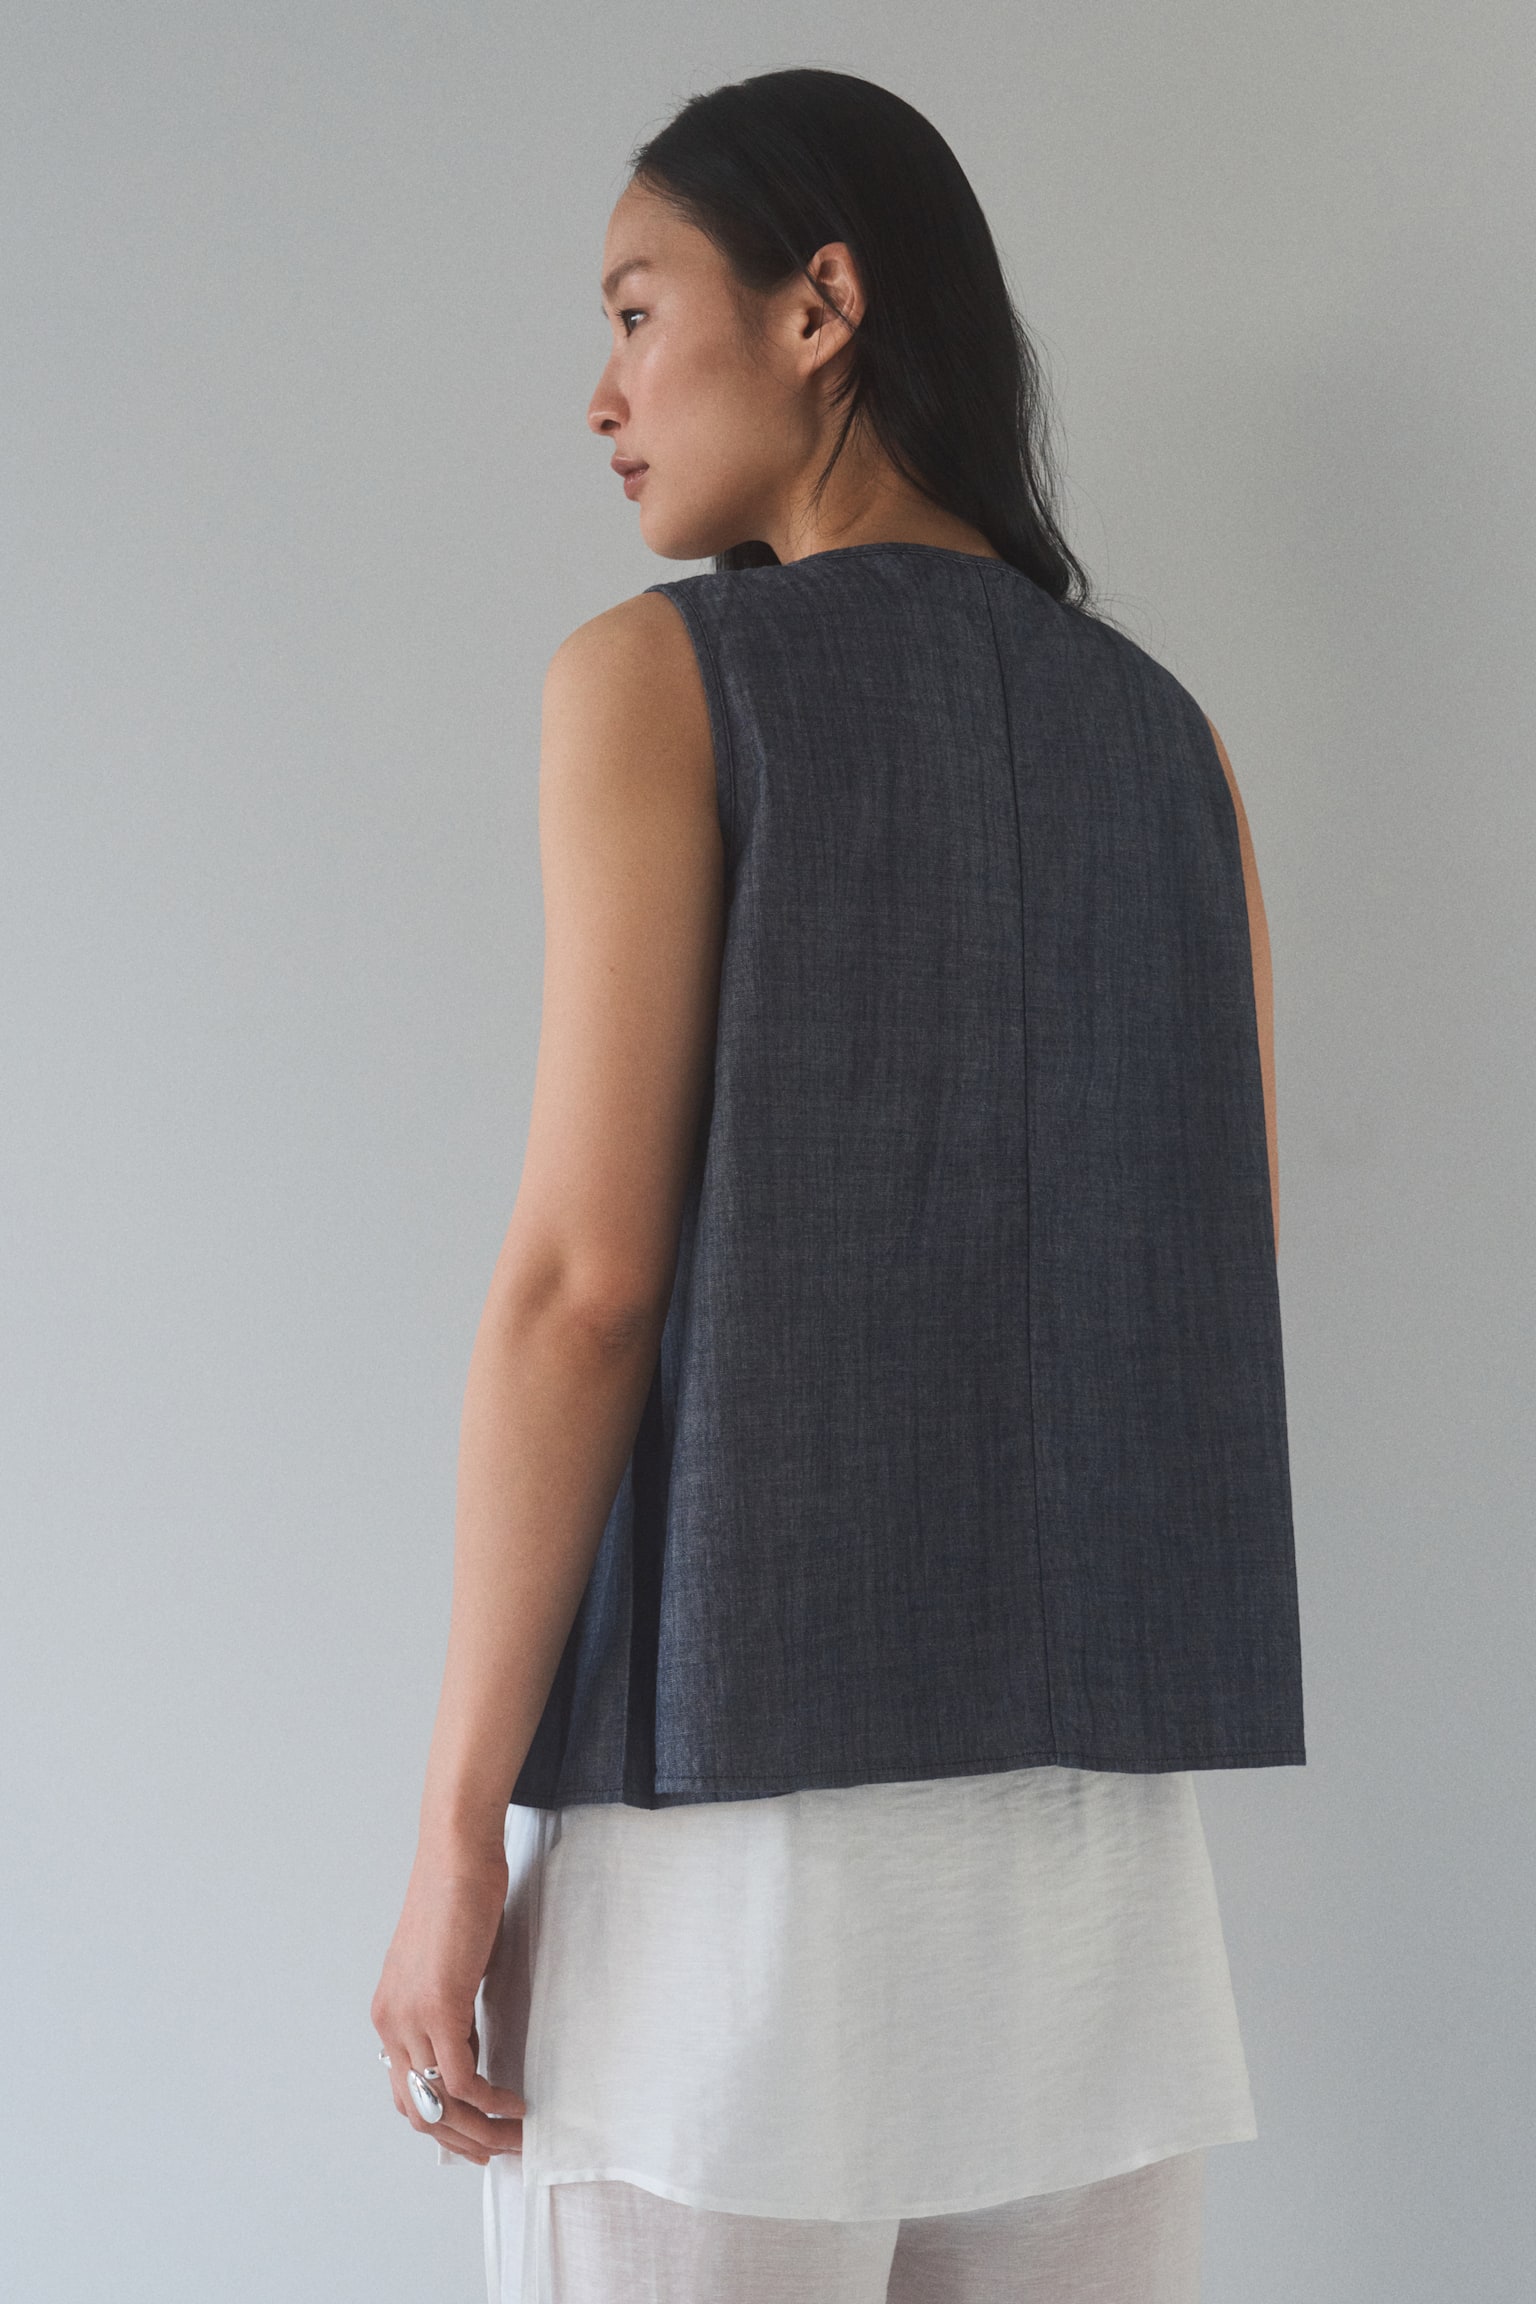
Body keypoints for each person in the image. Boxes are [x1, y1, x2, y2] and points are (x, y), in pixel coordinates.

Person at [370, 67, 1305, 2304]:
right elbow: (1220, 1260)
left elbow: (586, 1289)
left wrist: (454, 1830)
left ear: (821, 305)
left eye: (636, 309)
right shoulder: (1171, 739)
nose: (601, 395)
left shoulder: (664, 683)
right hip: (1098, 1918)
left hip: (739, 1892)